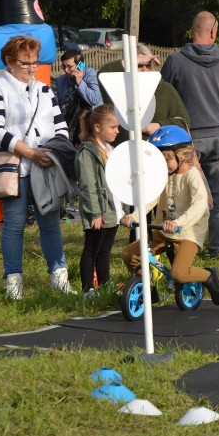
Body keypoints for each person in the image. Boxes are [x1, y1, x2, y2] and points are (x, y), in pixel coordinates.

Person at [0, 35, 75, 300]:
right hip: (15, 167)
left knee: (51, 223)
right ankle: (13, 284)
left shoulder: (45, 89)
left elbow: (60, 126)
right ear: (10, 61)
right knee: (14, 224)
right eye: (25, 63)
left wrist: (54, 151)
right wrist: (30, 153)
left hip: (45, 164)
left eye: (34, 63)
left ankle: (60, 278)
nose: (32, 68)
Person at [119, 126, 219, 306]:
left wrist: (178, 222)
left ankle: (208, 275)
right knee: (130, 254)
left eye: (166, 159)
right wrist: (135, 216)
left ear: (182, 155)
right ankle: (148, 290)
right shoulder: (163, 175)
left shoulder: (192, 176)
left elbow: (200, 204)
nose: (162, 164)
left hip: (187, 233)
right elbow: (151, 199)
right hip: (163, 229)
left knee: (179, 274)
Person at [161, 11, 219, 259]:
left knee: (183, 196)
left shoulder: (176, 62)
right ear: (213, 32)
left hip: (186, 140)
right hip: (217, 135)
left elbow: (165, 97)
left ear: (193, 31)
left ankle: (185, 246)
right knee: (216, 195)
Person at [98, 43, 190, 143]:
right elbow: (103, 73)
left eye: (148, 65)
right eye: (139, 65)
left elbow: (183, 123)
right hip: (125, 153)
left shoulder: (165, 89)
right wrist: (133, 61)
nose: (145, 70)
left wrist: (157, 126)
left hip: (159, 155)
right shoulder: (118, 90)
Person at [75, 104, 121, 299]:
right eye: (113, 127)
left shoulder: (109, 149)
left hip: (112, 210)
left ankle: (105, 287)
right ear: (97, 128)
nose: (117, 131)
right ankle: (88, 290)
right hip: (99, 212)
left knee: (104, 252)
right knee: (91, 250)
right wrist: (95, 213)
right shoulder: (88, 152)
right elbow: (88, 185)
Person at [56, 49, 103, 145]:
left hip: (89, 124)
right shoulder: (61, 80)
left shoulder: (90, 74)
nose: (66, 70)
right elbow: (61, 105)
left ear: (80, 65)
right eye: (63, 66)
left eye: (69, 67)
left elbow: (95, 100)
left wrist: (80, 82)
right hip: (70, 126)